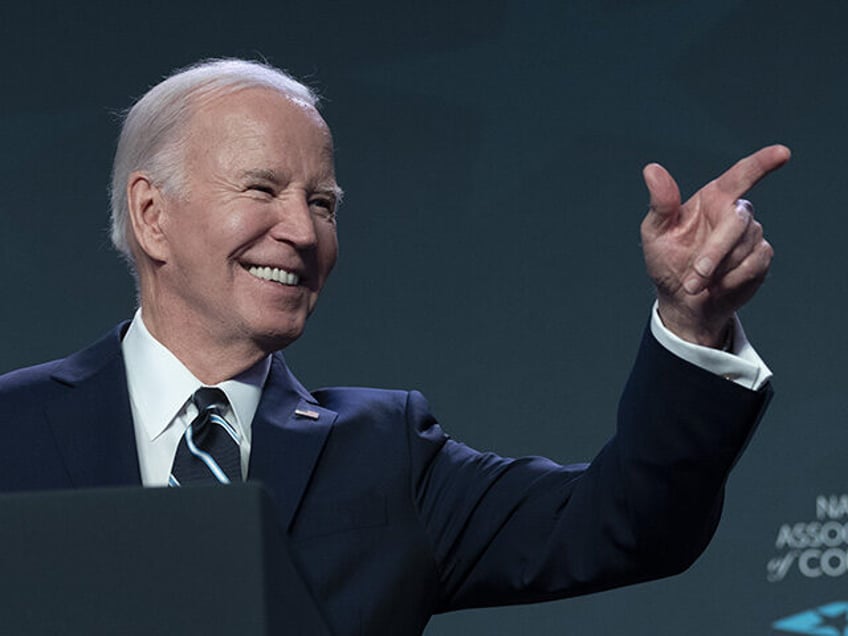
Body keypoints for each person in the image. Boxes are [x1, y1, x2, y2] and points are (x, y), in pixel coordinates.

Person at [0, 58, 789, 634]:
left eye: (322, 202)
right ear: (151, 215)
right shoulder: (14, 429)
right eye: (262, 189)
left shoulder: (385, 456)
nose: (304, 232)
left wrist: (691, 322)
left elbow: (626, 522)